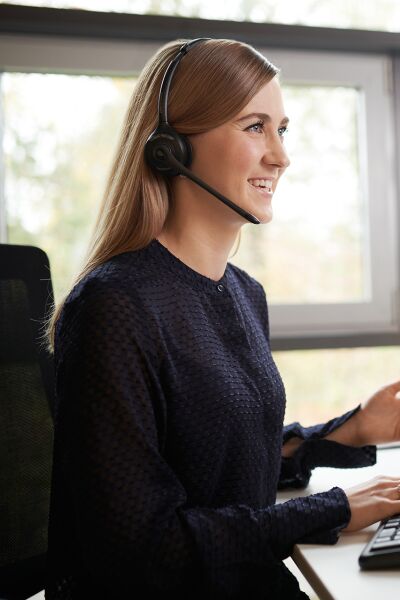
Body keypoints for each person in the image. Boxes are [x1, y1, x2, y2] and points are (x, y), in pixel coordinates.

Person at [45, 38, 400, 599]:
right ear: (171, 148)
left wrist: (353, 429)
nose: (280, 156)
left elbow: (221, 463)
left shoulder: (242, 293)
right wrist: (331, 509)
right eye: (254, 126)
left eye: (282, 129)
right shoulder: (115, 306)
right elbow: (141, 547)